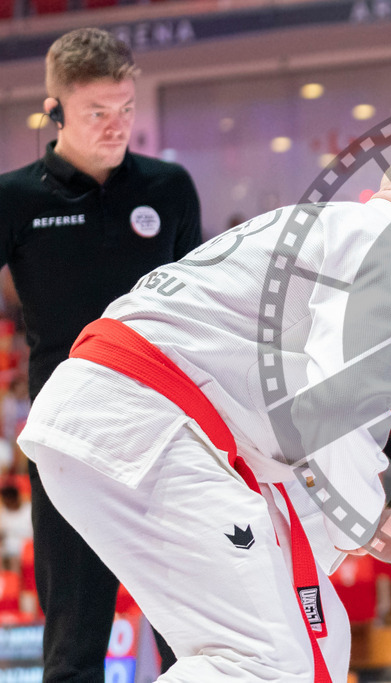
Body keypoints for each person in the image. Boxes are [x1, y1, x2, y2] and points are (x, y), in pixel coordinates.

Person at [18, 142, 391, 680]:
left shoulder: (330, 232)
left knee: (313, 630)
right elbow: (338, 415)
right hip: (140, 416)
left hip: (126, 418)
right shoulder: (382, 246)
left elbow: (306, 437)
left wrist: (374, 526)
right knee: (262, 660)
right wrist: (367, 526)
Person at [0, 27, 202, 680]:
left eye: (126, 109)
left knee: (193, 635)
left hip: (167, 435)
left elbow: (198, 315)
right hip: (69, 442)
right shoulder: (16, 199)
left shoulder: (168, 188)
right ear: (55, 110)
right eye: (96, 112)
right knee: (77, 641)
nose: (117, 126)